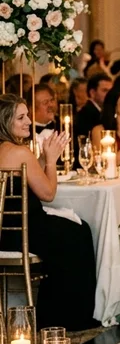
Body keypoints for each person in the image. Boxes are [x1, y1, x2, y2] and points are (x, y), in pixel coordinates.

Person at [0, 94, 98, 330]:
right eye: (21, 117)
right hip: (26, 230)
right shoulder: (19, 152)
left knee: (71, 229)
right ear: (4, 122)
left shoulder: (9, 151)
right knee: (81, 231)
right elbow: (48, 193)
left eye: (28, 115)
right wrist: (52, 160)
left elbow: (33, 178)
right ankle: (66, 317)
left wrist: (42, 158)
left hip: (6, 232)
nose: (29, 121)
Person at [74, 73, 111, 138]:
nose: (109, 94)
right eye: (105, 90)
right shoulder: (86, 114)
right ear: (92, 93)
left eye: (110, 90)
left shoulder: (103, 111)